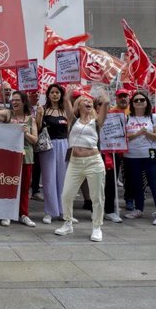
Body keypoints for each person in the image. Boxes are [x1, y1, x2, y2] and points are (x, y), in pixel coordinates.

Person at [54, 88, 109, 242]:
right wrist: (70, 91)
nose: (88, 102)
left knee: (97, 196)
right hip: (75, 162)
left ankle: (97, 227)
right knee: (66, 194)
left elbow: (106, 103)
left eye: (90, 101)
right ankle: (68, 223)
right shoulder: (73, 120)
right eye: (84, 101)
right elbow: (65, 100)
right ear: (78, 106)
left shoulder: (96, 122)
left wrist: (103, 93)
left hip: (94, 162)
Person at [0, 91, 38, 227]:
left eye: (18, 100)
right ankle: (6, 213)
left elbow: (35, 140)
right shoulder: (7, 114)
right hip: (10, 156)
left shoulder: (31, 119)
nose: (15, 102)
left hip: (26, 156)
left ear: (24, 102)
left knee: (24, 187)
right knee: (9, 186)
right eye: (13, 100)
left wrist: (26, 133)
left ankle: (24, 214)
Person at [123, 91, 156, 225]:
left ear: (147, 102)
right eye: (136, 100)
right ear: (132, 104)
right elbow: (123, 137)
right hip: (131, 156)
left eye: (142, 100)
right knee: (136, 184)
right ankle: (138, 209)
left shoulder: (153, 117)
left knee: (154, 185)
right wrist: (138, 133)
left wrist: (147, 133)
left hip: (151, 154)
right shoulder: (126, 118)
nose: (139, 102)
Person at [36, 84, 69, 224]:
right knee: (49, 179)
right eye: (52, 92)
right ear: (48, 95)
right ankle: (50, 211)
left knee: (63, 179)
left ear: (61, 95)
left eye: (57, 92)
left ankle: (63, 211)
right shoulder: (43, 109)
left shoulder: (66, 111)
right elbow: (37, 128)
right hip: (48, 146)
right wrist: (39, 116)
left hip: (64, 145)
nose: (55, 94)